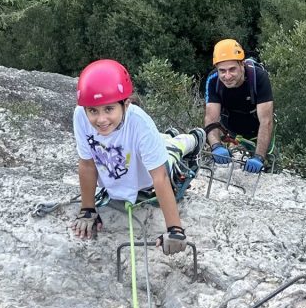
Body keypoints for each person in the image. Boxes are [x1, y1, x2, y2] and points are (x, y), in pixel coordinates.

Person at [72, 58, 204, 253]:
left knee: (173, 152)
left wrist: (175, 228)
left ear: (125, 105)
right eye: (93, 111)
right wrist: (87, 209)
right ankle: (166, 137)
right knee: (156, 144)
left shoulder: (140, 122)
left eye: (109, 109)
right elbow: (87, 164)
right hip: (132, 157)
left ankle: (191, 139)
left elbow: (160, 176)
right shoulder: (80, 116)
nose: (101, 119)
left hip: (150, 175)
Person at [204, 39, 274, 174]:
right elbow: (211, 118)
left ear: (242, 64)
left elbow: (266, 121)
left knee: (269, 170)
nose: (227, 76)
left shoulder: (258, 77)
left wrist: (259, 157)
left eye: (232, 69)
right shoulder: (213, 80)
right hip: (231, 132)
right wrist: (216, 146)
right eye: (222, 71)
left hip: (257, 131)